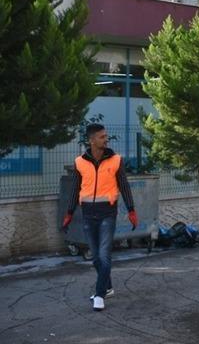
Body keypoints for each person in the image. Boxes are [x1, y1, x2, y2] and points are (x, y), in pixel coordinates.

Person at [61, 123, 137, 311]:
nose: (106, 139)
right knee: (95, 257)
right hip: (88, 214)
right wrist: (69, 213)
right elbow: (75, 189)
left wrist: (131, 210)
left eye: (106, 136)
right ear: (92, 140)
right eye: (102, 136)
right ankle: (108, 286)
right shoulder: (80, 162)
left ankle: (99, 294)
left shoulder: (116, 160)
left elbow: (124, 186)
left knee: (104, 254)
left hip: (107, 214)